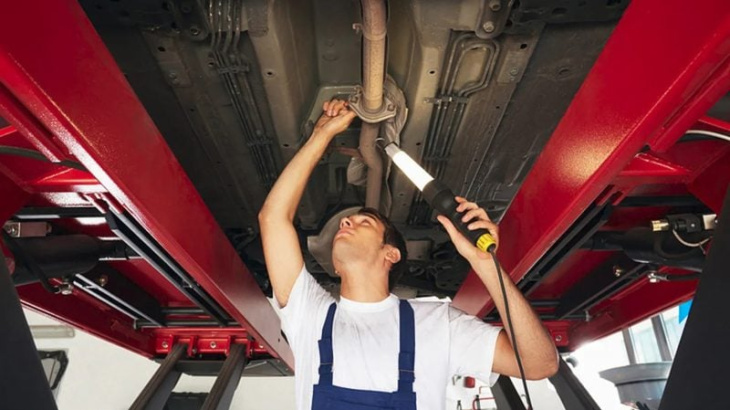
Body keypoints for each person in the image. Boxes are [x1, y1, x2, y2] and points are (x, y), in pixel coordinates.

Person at [258, 99, 558, 410]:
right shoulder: (310, 314)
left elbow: (539, 364)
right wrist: (321, 135)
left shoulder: (438, 324)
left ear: (391, 254)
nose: (346, 221)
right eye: (350, 220)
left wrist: (484, 264)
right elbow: (272, 218)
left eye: (364, 221)